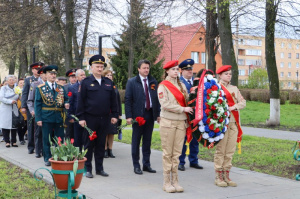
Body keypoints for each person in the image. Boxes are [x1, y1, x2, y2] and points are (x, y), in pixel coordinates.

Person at [76, 55, 118, 178]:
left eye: (101, 67)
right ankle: (88, 168)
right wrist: (81, 118)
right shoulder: (86, 82)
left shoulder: (108, 83)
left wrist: (114, 115)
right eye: (97, 66)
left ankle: (100, 168)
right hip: (90, 118)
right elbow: (81, 101)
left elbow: (113, 101)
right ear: (91, 67)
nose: (100, 69)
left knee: (101, 144)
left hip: (104, 118)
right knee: (89, 144)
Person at [157, 60, 192, 193]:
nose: (176, 72)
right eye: (173, 69)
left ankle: (175, 181)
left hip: (181, 122)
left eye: (177, 69)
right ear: (167, 71)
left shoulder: (182, 85)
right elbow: (165, 104)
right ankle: (167, 182)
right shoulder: (163, 86)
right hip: (168, 122)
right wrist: (183, 109)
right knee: (168, 153)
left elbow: (188, 101)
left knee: (177, 153)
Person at [125, 59, 161, 175]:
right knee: (136, 141)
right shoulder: (132, 82)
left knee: (147, 141)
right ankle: (136, 165)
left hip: (150, 114)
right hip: (138, 116)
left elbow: (156, 99)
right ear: (139, 69)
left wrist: (158, 114)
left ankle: (146, 164)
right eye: (144, 68)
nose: (146, 70)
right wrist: (129, 116)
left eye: (148, 68)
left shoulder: (153, 81)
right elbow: (128, 100)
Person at [214, 65, 246, 187]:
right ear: (220, 75)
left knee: (230, 150)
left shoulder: (234, 88)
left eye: (230, 74)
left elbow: (243, 102)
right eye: (226, 73)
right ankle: (218, 176)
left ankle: (226, 175)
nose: (229, 75)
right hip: (222, 123)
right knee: (221, 150)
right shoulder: (215, 88)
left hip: (233, 123)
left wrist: (234, 107)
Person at [34, 65, 69, 166]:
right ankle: (47, 158)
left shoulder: (60, 88)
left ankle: (59, 156)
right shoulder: (41, 88)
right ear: (46, 75)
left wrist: (66, 103)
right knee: (47, 139)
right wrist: (38, 118)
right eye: (51, 73)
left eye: (54, 74)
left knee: (60, 139)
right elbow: (37, 104)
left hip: (59, 116)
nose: (53, 75)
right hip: (46, 117)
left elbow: (66, 99)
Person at [178, 59, 203, 171]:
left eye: (191, 69)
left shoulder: (196, 82)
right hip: (184, 115)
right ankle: (181, 162)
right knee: (182, 140)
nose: (190, 71)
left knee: (195, 139)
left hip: (195, 115)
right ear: (182, 71)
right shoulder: (179, 83)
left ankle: (193, 161)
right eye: (187, 69)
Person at [21, 62, 44, 154]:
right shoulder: (29, 80)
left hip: (41, 107)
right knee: (31, 127)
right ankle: (31, 146)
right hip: (31, 106)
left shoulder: (43, 79)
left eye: (39, 69)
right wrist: (23, 106)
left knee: (40, 128)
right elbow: (25, 93)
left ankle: (40, 147)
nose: (38, 71)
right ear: (32, 70)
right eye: (36, 69)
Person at [102, 70, 122, 158]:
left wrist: (119, 113)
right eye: (107, 75)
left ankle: (110, 149)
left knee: (112, 132)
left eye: (110, 75)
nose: (109, 76)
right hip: (105, 112)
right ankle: (105, 150)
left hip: (113, 113)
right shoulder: (102, 86)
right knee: (105, 132)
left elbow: (118, 101)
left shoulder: (114, 87)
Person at [27, 67, 47, 158]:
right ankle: (38, 151)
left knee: (48, 132)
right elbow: (30, 100)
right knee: (38, 132)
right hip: (38, 112)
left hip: (49, 112)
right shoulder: (35, 84)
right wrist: (32, 110)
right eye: (45, 74)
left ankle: (46, 151)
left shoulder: (53, 84)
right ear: (41, 74)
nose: (47, 76)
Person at [68, 69, 86, 151]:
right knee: (77, 136)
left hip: (87, 114)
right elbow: (70, 102)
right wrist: (70, 115)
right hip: (76, 114)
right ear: (77, 77)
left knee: (86, 135)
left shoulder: (88, 85)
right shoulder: (72, 87)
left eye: (84, 75)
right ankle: (77, 152)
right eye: (81, 75)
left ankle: (86, 151)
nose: (83, 77)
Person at [0, 75, 21, 148]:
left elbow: (17, 96)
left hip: (14, 107)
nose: (11, 81)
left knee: (14, 125)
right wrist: (10, 101)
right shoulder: (3, 88)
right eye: (10, 80)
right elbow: (2, 98)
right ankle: (7, 141)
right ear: (7, 81)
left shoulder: (17, 88)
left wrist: (16, 98)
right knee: (5, 125)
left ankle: (14, 141)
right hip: (5, 108)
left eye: (13, 80)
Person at [65, 69, 77, 139]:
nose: (74, 79)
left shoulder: (79, 86)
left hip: (77, 112)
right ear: (69, 78)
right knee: (68, 132)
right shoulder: (65, 87)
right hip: (68, 112)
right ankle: (67, 148)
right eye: (72, 77)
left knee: (76, 133)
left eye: (75, 77)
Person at [16, 78, 27, 145]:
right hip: (19, 108)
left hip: (26, 108)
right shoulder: (16, 90)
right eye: (21, 83)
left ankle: (22, 135)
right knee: (19, 124)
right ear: (18, 84)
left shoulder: (27, 89)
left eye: (23, 82)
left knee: (27, 124)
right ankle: (21, 139)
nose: (22, 84)